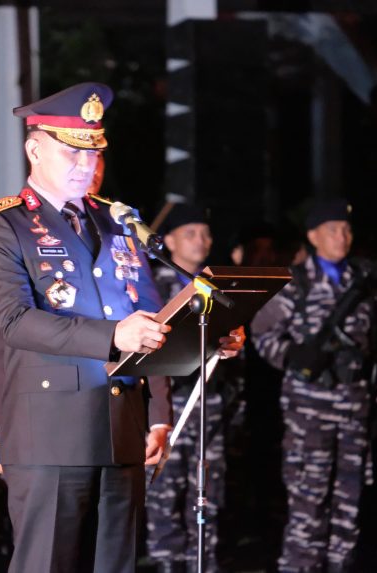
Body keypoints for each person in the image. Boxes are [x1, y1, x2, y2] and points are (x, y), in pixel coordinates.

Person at [0, 82, 244, 573]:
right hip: (50, 431)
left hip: (122, 429)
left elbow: (152, 318)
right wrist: (113, 337)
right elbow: (13, 322)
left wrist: (206, 337)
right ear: (35, 149)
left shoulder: (118, 221)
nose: (85, 164)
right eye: (72, 152)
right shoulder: (2, 225)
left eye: (93, 152)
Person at [251, 198, 377, 573]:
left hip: (355, 409)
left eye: (346, 229)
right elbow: (262, 333)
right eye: (332, 230)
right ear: (313, 236)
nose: (342, 236)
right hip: (309, 412)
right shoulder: (297, 283)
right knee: (308, 505)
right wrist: (293, 356)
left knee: (349, 504)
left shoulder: (362, 283)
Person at [146, 203, 245, 573]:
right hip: (167, 406)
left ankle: (202, 563)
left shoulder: (218, 287)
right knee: (163, 495)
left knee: (207, 495)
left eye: (205, 233)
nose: (201, 240)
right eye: (190, 233)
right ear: (169, 241)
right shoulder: (152, 285)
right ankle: (167, 565)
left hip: (209, 404)